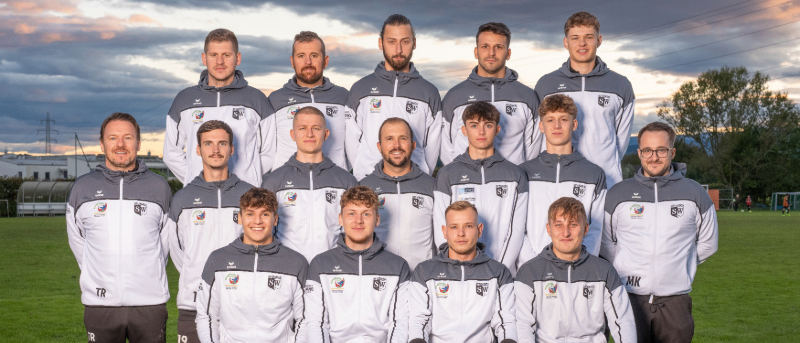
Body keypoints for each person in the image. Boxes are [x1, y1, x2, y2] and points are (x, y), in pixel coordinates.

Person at [601, 122, 718, 343]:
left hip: (676, 303)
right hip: (629, 299)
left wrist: (680, 264)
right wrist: (628, 266)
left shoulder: (694, 193)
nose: (653, 157)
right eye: (647, 150)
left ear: (672, 152)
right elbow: (607, 243)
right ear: (639, 152)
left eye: (661, 150)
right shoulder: (618, 194)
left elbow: (708, 244)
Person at [66, 113, 172, 343]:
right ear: (102, 144)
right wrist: (97, 275)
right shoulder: (82, 188)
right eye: (113, 138)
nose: (121, 145)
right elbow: (77, 240)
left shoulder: (159, 187)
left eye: (128, 138)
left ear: (138, 143)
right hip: (100, 305)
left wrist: (147, 274)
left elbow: (165, 241)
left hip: (149, 304)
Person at [165, 120, 255, 343]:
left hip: (242, 304)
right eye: (208, 144)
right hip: (194, 305)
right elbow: (178, 252)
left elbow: (259, 246)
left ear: (232, 149)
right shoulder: (182, 199)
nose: (215, 150)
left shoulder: (250, 196)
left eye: (222, 143)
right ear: (198, 150)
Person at [533, 12, 635, 188]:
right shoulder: (546, 85)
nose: (582, 43)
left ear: (599, 40)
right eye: (575, 38)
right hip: (559, 180)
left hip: (606, 181)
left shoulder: (620, 85)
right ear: (566, 42)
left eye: (589, 37)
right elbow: (540, 134)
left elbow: (620, 142)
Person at [515, 197, 636, 343]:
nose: (565, 233)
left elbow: (624, 323)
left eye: (573, 224)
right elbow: (523, 326)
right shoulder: (529, 272)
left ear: (585, 229)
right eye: (558, 225)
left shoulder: (605, 272)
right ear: (549, 229)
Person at [195, 188, 308, 343]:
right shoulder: (218, 260)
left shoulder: (296, 263)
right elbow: (206, 316)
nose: (257, 221)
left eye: (265, 214)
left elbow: (305, 320)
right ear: (239, 218)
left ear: (275, 219)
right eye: (250, 214)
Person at [164, 28, 272, 187]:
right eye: (214, 55)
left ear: (238, 58)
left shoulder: (257, 100)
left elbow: (269, 153)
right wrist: (197, 180)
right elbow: (171, 153)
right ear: (204, 58)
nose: (219, 62)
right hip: (201, 197)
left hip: (244, 199)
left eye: (226, 55)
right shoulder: (184, 99)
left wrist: (247, 182)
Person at [304, 186, 411, 342]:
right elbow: (316, 323)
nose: (358, 221)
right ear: (341, 218)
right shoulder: (320, 264)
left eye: (366, 214)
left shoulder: (398, 266)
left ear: (377, 219)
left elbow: (400, 323)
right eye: (351, 213)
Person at [434, 101, 528, 274]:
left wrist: (498, 271)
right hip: (459, 272)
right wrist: (458, 265)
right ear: (464, 130)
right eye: (474, 125)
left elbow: (517, 230)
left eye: (488, 125)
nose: (481, 132)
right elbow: (443, 227)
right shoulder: (448, 174)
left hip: (503, 273)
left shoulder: (516, 175)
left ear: (497, 130)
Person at [345, 14, 442, 180]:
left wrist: (420, 176)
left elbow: (432, 146)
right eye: (391, 41)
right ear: (380, 43)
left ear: (414, 43)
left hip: (415, 186)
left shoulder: (429, 92)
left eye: (405, 41)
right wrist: (365, 174)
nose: (398, 49)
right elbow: (352, 142)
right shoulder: (360, 89)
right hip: (369, 184)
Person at [409, 201, 517, 343]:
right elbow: (419, 321)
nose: (461, 233)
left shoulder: (499, 272)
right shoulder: (424, 272)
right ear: (444, 231)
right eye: (454, 227)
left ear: (479, 230)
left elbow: (506, 322)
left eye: (468, 226)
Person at [261, 106, 358, 263]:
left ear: (326, 134)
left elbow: (353, 231)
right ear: (293, 134)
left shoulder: (346, 181)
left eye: (316, 128)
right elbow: (265, 232)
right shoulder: (273, 181)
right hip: (287, 267)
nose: (309, 134)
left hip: (332, 269)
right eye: (302, 128)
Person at [518, 94, 606, 264]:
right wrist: (534, 264)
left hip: (578, 269)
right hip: (533, 269)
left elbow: (595, 228)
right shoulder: (524, 172)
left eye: (563, 119)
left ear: (574, 124)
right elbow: (518, 227)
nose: (556, 126)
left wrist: (580, 263)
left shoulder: (593, 174)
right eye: (550, 120)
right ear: (541, 126)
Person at [441, 22, 540, 166]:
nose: (491, 53)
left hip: (512, 184)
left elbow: (532, 152)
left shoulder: (527, 97)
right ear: (476, 52)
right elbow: (447, 150)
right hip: (466, 183)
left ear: (508, 53)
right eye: (485, 46)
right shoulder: (454, 96)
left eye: (498, 47)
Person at [264, 31, 349, 172]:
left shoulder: (344, 97)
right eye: (301, 56)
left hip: (336, 185)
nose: (307, 62)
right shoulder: (275, 100)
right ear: (292, 61)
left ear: (325, 61)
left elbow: (355, 149)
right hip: (287, 186)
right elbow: (266, 150)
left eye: (314, 56)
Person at [359, 117, 436, 269]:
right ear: (379, 146)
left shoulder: (432, 186)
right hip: (378, 277)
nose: (397, 145)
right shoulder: (364, 188)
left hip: (421, 279)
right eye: (389, 139)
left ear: (413, 145)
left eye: (403, 138)